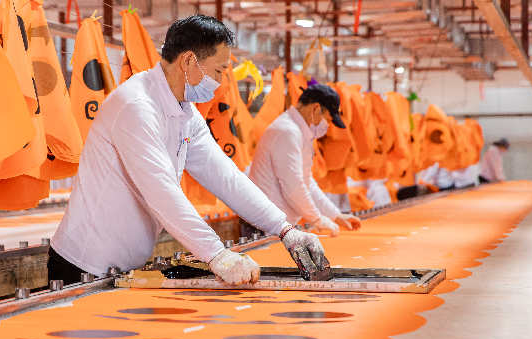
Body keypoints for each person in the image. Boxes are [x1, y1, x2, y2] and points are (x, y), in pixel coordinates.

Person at [49, 15, 330, 285]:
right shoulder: (136, 107)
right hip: (84, 266)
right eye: (218, 70)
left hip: (121, 268)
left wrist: (285, 229)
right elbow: (161, 191)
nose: (220, 81)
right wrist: (215, 253)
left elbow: (226, 177)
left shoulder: (186, 113)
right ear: (188, 60)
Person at [249, 83, 362, 236]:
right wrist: (317, 219)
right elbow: (293, 184)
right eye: (327, 120)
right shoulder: (287, 131)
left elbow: (306, 181)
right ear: (315, 108)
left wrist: (335, 215)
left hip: (277, 225)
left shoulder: (300, 133)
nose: (327, 126)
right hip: (265, 227)